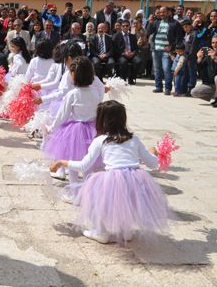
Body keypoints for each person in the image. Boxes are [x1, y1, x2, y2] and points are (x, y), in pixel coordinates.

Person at [50, 100, 169, 244]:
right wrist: (156, 152)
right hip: (136, 178)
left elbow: (83, 165)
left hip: (113, 178)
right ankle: (126, 231)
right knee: (129, 202)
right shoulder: (134, 139)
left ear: (100, 120)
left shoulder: (100, 140)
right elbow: (152, 163)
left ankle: (100, 231)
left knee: (93, 196)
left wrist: (61, 162)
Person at [43, 57, 103, 190]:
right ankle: (86, 191)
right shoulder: (95, 93)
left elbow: (62, 116)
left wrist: (51, 128)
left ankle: (75, 191)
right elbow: (97, 112)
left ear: (74, 75)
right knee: (88, 164)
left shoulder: (72, 94)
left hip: (74, 132)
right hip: (91, 131)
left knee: (72, 163)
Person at [147, 6, 184, 95]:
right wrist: (150, 22)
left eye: (163, 12)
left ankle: (167, 88)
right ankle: (158, 87)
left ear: (168, 13)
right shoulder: (156, 22)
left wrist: (171, 46)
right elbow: (148, 32)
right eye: (160, 12)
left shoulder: (175, 23)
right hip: (156, 49)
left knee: (166, 70)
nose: (161, 14)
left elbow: (179, 38)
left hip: (166, 51)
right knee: (157, 69)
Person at [113, 19, 142, 84]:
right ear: (121, 27)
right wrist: (123, 53)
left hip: (132, 54)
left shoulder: (132, 36)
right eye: (123, 26)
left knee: (138, 61)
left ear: (129, 27)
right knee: (123, 62)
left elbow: (136, 48)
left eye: (127, 26)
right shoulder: (117, 36)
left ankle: (131, 78)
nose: (125, 27)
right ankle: (123, 80)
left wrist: (133, 53)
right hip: (122, 55)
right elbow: (114, 48)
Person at [191, 36, 217, 106]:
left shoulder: (213, 55)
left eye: (216, 43)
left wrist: (215, 59)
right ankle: (215, 96)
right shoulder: (208, 54)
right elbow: (199, 70)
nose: (215, 45)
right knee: (194, 92)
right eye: (213, 43)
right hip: (210, 85)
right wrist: (199, 59)